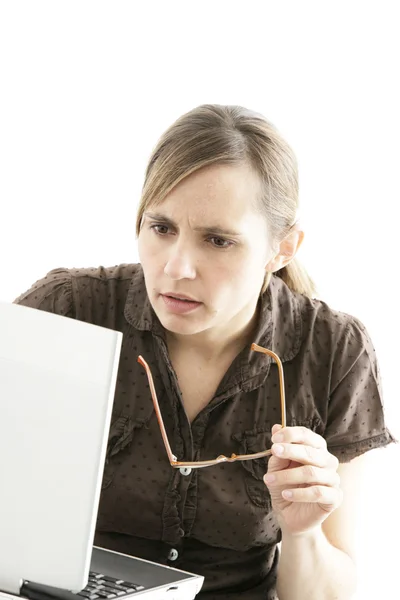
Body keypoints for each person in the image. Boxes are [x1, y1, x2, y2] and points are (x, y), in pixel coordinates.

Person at [14, 104, 396, 600]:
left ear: (282, 249)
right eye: (162, 228)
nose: (177, 268)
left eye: (217, 240)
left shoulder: (335, 351)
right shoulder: (67, 309)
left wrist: (302, 534)